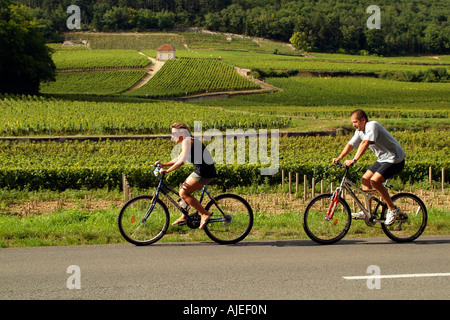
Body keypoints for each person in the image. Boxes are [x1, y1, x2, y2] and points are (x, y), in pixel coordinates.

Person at [332, 109, 406, 225]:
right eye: (352, 122)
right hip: (382, 159)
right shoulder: (359, 131)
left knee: (374, 181)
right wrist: (339, 157)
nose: (353, 125)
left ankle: (392, 209)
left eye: (355, 122)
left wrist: (354, 160)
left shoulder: (372, 125)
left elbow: (365, 143)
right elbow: (351, 144)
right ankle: (367, 211)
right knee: (365, 180)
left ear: (363, 120)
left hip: (394, 159)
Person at [156, 121, 217, 229]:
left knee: (183, 192)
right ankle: (184, 216)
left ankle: (204, 213)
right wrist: (164, 164)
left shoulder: (187, 141)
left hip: (204, 172)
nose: (172, 136)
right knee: (182, 190)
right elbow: (178, 158)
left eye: (174, 133)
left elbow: (182, 161)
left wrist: (167, 171)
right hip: (201, 170)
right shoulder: (187, 141)